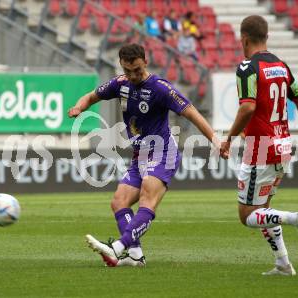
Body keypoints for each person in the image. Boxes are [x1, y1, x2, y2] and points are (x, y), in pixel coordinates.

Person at [68, 44, 219, 267]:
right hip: (140, 155)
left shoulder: (160, 88)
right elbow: (91, 97)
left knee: (148, 201)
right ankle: (136, 255)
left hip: (163, 152)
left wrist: (215, 140)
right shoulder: (120, 84)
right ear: (121, 66)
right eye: (128, 71)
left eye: (137, 70)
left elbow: (191, 112)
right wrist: (78, 107)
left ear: (145, 62)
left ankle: (116, 248)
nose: (133, 75)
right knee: (119, 202)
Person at [220, 15, 298, 276]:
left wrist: (229, 137)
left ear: (243, 39)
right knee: (264, 209)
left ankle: (296, 218)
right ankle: (283, 264)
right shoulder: (281, 66)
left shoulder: (247, 68)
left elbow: (248, 106)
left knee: (247, 215)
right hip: (283, 145)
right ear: (266, 37)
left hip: (261, 149)